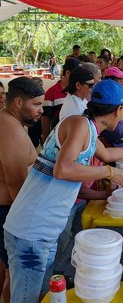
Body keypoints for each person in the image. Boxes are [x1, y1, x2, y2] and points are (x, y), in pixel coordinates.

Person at [4, 79, 123, 302]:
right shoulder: (79, 125)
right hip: (31, 230)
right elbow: (63, 169)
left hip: (43, 230)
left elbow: (106, 155)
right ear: (118, 110)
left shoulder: (87, 128)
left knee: (41, 295)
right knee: (26, 298)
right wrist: (109, 173)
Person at [0, 77, 44, 303]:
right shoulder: (10, 129)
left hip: (9, 212)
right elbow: (17, 184)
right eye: (36, 104)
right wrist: (32, 226)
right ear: (18, 101)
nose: (41, 110)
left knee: (11, 275)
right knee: (17, 278)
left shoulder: (12, 124)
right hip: (10, 212)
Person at [42, 57, 81, 141]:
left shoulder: (79, 90)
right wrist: (46, 139)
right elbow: (46, 118)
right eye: (77, 75)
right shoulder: (51, 92)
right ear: (68, 73)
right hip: (57, 139)